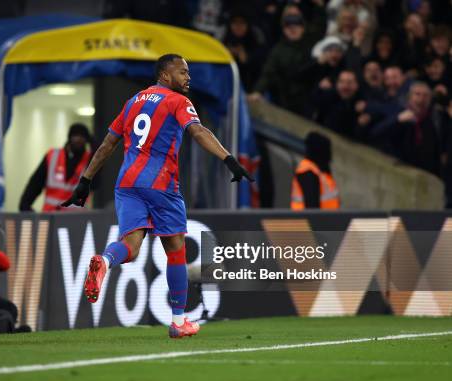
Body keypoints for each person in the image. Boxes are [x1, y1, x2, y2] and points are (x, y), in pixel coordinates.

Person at [62, 54, 253, 338]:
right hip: (161, 183)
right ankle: (178, 322)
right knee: (176, 249)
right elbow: (198, 132)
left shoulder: (133, 101)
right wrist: (228, 159)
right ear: (165, 75)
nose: (188, 78)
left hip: (126, 183)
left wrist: (85, 181)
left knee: (131, 245)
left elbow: (107, 144)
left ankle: (104, 261)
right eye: (183, 72)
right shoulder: (178, 101)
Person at [19, 123, 93, 212]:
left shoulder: (90, 160)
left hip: (76, 219)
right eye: (76, 136)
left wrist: (91, 139)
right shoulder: (52, 156)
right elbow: (35, 184)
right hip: (51, 216)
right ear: (69, 138)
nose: (79, 140)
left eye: (83, 137)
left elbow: (96, 183)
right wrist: (25, 206)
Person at [291, 132, 340, 210]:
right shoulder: (308, 172)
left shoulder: (320, 170)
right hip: (311, 221)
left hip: (327, 220)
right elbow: (312, 208)